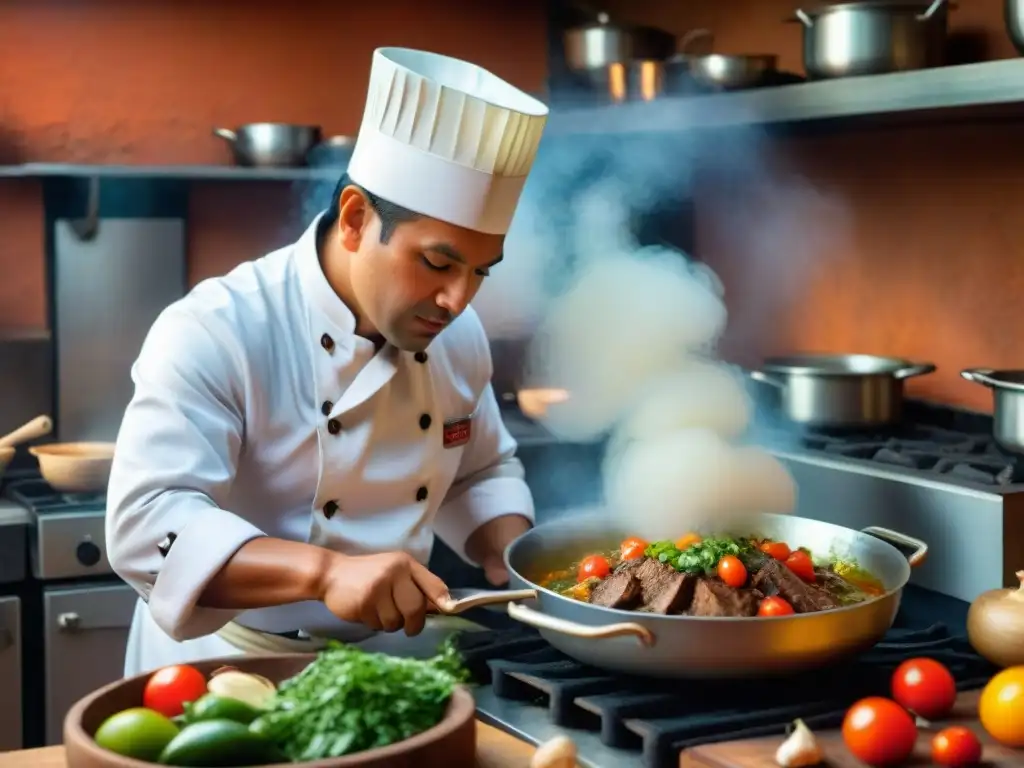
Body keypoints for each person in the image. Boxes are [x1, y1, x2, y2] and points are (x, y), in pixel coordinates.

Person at [105, 47, 549, 676]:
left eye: (480, 271)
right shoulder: (217, 330)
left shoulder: (459, 334)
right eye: (438, 262)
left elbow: (478, 471)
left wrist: (517, 557)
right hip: (221, 671)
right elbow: (147, 527)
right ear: (355, 219)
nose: (458, 299)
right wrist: (326, 573)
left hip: (387, 670)